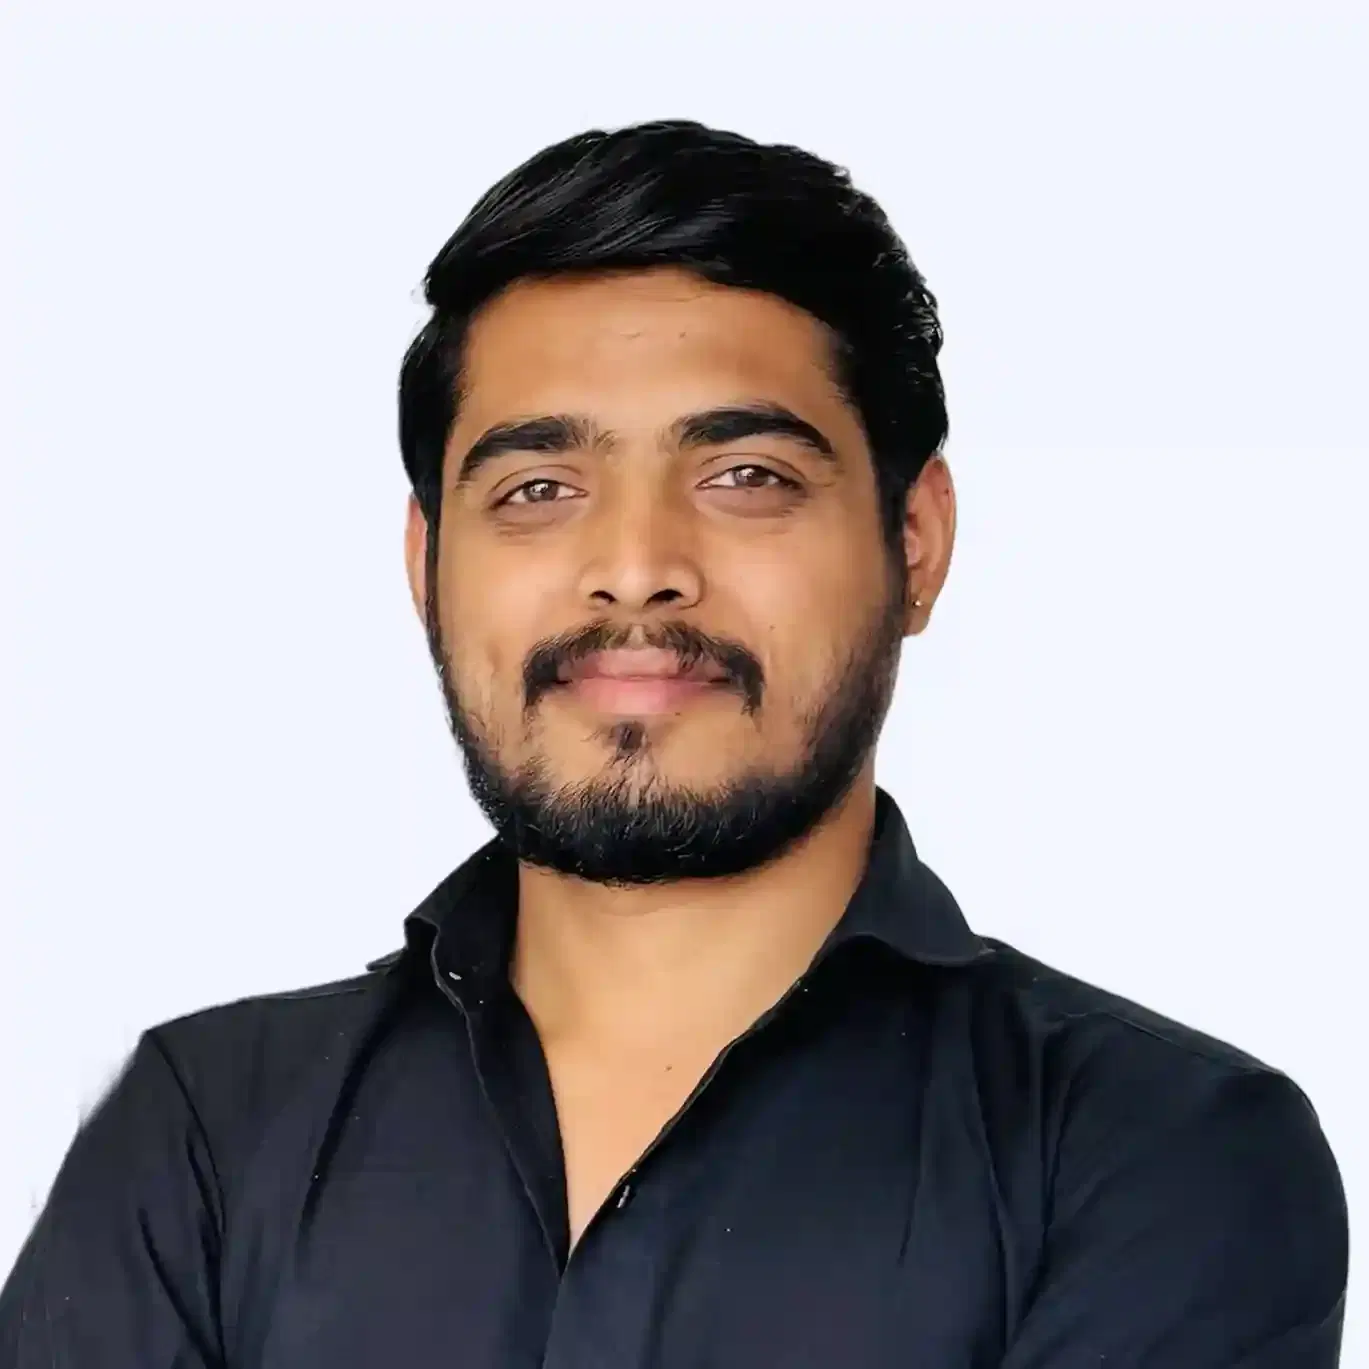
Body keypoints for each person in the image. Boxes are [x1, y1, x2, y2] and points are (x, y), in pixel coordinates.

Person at [0, 120, 1348, 1369]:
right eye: (538, 488)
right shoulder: (199, 1138)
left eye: (745, 477)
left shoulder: (1158, 1156)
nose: (637, 565)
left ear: (916, 543)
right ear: (427, 567)